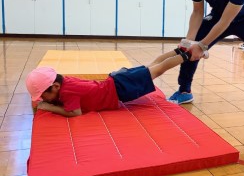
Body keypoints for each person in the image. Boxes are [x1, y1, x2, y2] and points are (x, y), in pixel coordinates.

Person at [25, 44, 203, 117]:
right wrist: (44, 101)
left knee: (158, 69)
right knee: (153, 65)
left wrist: (49, 107)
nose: (43, 99)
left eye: (43, 95)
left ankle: (188, 54)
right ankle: (178, 50)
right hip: (117, 79)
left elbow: (75, 113)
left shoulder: (65, 92)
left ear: (55, 86)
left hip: (120, 88)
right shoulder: (64, 81)